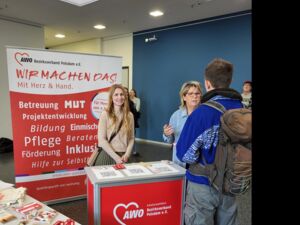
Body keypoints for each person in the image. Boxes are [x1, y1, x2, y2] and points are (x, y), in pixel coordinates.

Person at [177, 58, 243, 225]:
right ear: (230, 81)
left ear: (207, 83)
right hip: (231, 183)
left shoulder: (202, 113)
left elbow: (185, 154)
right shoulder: (242, 110)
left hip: (203, 185)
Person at [162, 81, 202, 168]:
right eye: (190, 94)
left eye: (197, 93)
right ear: (184, 97)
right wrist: (166, 134)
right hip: (180, 161)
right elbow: (170, 141)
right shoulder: (176, 116)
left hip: (199, 163)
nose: (194, 96)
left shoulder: (205, 115)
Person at [97, 84, 135, 165]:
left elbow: (131, 138)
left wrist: (127, 154)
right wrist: (116, 157)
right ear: (111, 97)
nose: (119, 97)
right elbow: (102, 140)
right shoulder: (105, 114)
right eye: (116, 94)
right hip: (108, 155)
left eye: (121, 94)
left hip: (124, 157)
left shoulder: (130, 115)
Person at [124, 87, 140, 156]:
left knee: (132, 136)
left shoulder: (131, 103)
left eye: (127, 92)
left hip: (131, 122)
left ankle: (133, 151)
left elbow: (136, 111)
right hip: (123, 123)